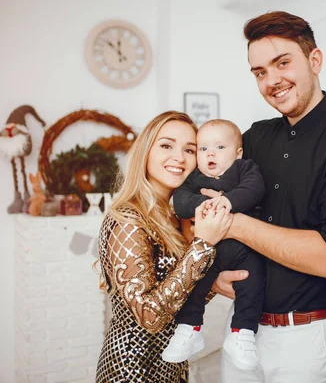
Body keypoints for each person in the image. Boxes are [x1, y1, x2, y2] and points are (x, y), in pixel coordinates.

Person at [208, 11, 326, 382]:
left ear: (314, 60)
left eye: (282, 63)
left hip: (309, 342)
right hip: (242, 333)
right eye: (259, 72)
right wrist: (211, 277)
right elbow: (205, 202)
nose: (272, 81)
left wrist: (236, 224)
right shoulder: (253, 138)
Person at [95, 111, 235, 383]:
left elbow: (174, 301)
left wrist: (214, 285)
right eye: (166, 145)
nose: (179, 157)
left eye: (189, 149)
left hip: (171, 370)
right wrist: (203, 244)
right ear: (146, 151)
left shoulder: (171, 216)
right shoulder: (128, 218)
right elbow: (150, 317)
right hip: (131, 372)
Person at [161, 119, 266, 371]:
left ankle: (242, 333)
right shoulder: (195, 178)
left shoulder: (244, 169)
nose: (210, 153)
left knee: (253, 285)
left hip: (245, 250)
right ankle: (189, 329)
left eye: (220, 147)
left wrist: (228, 201)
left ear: (237, 153)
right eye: (203, 148)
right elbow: (181, 200)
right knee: (194, 285)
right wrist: (202, 204)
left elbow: (255, 189)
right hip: (210, 252)